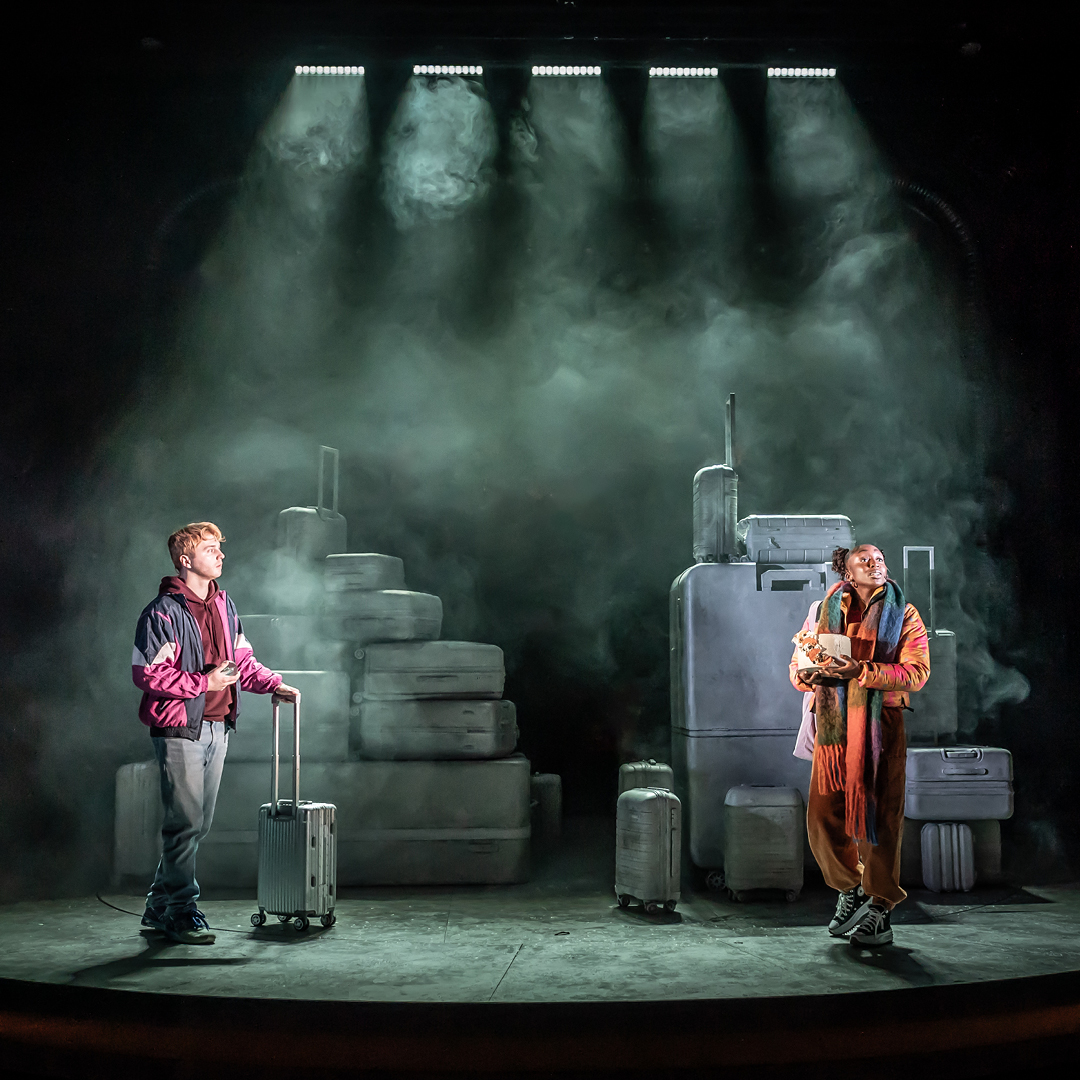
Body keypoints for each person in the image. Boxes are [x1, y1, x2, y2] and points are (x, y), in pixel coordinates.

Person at [131, 522, 299, 944]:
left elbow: (241, 661)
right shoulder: (162, 612)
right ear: (186, 560)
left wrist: (272, 682)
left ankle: (158, 905)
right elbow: (148, 675)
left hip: (218, 725)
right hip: (178, 728)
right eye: (210, 549)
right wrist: (204, 684)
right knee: (185, 823)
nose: (220, 555)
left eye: (220, 548)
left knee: (197, 824)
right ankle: (180, 911)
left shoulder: (225, 605)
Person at [789, 544, 929, 946]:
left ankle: (880, 910)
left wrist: (861, 671)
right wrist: (810, 676)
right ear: (847, 572)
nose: (876, 564)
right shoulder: (822, 611)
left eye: (880, 559)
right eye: (866, 559)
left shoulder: (905, 614)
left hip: (880, 727)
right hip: (834, 729)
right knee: (821, 818)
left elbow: (916, 673)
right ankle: (852, 888)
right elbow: (798, 665)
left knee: (880, 822)